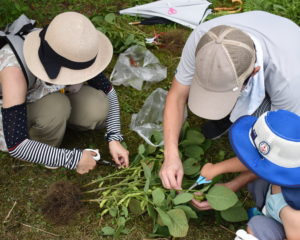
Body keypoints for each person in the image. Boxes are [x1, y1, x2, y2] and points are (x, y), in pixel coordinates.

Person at [159, 11, 300, 209]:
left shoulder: (290, 79)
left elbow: (276, 151)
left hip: (288, 81)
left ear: (254, 72)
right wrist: (170, 154)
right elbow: (177, 96)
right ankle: (230, 111)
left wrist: (235, 182)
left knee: (270, 136)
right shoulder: (203, 39)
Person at [0, 12, 129, 174]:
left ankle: (56, 126)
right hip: (12, 110)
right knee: (57, 107)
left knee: (99, 107)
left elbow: (109, 92)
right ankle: (44, 148)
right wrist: (71, 159)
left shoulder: (74, 48)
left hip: (50, 93)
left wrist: (114, 137)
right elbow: (16, 145)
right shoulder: (13, 70)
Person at [200, 110, 300, 240]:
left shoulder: (292, 213)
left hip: (292, 229)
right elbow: (255, 160)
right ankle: (266, 211)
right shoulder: (292, 159)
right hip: (278, 206)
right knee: (257, 182)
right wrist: (215, 169)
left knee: (257, 227)